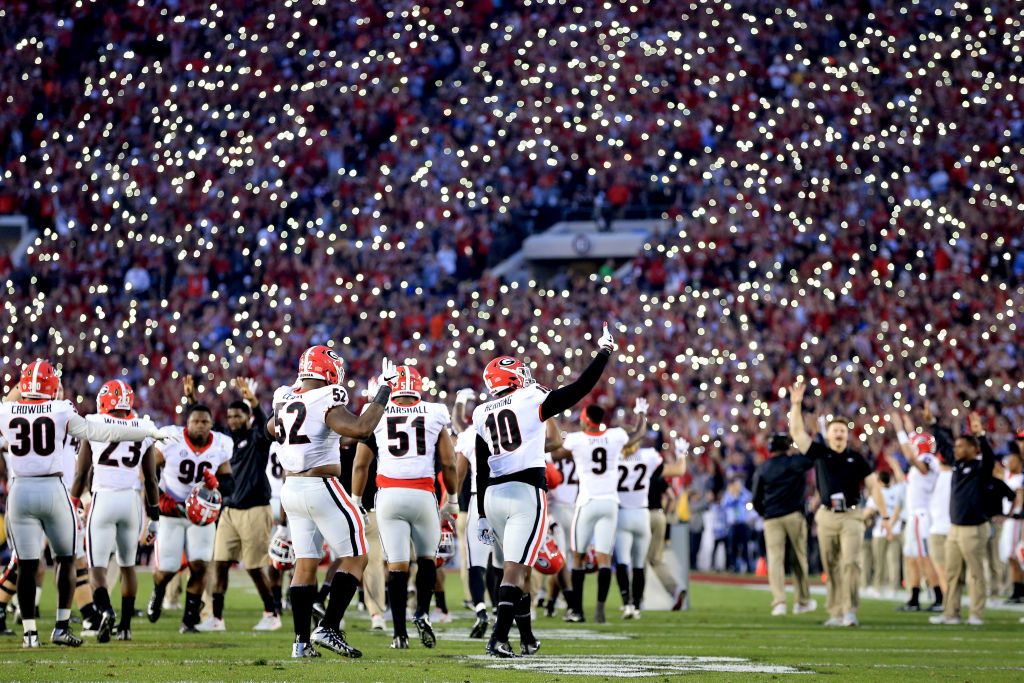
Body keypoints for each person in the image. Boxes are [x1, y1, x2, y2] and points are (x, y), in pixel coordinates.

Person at [0, 360, 168, 648]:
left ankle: (29, 633)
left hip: (20, 491)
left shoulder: (5, 410)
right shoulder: (61, 409)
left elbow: (10, 400)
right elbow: (103, 432)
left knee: (26, 565)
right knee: (67, 559)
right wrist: (145, 431)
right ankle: (61, 626)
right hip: (54, 488)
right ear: (53, 385)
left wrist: (25, 382)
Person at [475, 322, 616, 658]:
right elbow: (580, 388)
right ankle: (498, 638)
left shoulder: (481, 413)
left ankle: (526, 638)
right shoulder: (530, 398)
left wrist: (481, 513)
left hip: (492, 495)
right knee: (515, 569)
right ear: (513, 378)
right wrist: (604, 353)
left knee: (517, 568)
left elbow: (482, 468)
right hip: (525, 492)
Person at [266, 345, 395, 659]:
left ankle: (300, 643)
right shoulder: (326, 396)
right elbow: (361, 428)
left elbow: (272, 429)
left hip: (292, 489)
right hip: (321, 486)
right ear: (330, 371)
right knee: (357, 557)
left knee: (305, 564)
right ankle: (329, 626)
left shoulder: (287, 397)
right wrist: (384, 392)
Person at [352, 365, 457, 650]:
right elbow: (448, 462)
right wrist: (454, 499)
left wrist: (356, 501)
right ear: (418, 386)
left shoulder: (377, 412)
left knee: (396, 566)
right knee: (426, 560)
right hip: (423, 494)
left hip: (389, 495)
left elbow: (361, 464)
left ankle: (399, 634)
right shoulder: (435, 412)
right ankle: (422, 612)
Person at [787, 378, 890, 627]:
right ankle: (835, 611)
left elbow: (873, 487)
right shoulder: (820, 453)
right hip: (826, 515)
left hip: (852, 515)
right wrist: (796, 405)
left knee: (851, 562)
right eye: (835, 429)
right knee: (831, 565)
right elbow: (797, 433)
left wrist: (885, 516)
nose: (839, 433)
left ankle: (850, 610)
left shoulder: (857, 458)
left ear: (847, 435)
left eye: (843, 430)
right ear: (829, 433)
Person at [68, 380, 161, 642]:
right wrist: (154, 518)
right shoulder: (142, 427)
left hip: (104, 498)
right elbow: (152, 480)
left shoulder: (94, 423)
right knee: (128, 565)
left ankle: (106, 610)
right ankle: (126, 627)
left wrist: (73, 504)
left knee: (97, 565)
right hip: (131, 502)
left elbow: (81, 473)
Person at [556, 396, 647, 624]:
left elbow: (556, 452)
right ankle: (600, 610)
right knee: (604, 559)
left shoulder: (577, 440)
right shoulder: (614, 436)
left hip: (586, 502)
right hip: (610, 503)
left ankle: (576, 610)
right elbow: (638, 434)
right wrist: (641, 415)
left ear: (586, 421)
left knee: (577, 558)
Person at [146, 403, 233, 633]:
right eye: (196, 421)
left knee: (200, 566)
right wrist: (160, 498)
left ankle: (189, 620)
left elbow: (229, 481)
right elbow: (147, 470)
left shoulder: (220, 446)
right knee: (168, 568)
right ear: (187, 423)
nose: (200, 426)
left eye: (205, 422)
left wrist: (217, 485)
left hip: (201, 515)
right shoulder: (172, 439)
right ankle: (159, 591)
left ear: (211, 424)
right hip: (171, 511)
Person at [201, 378, 280, 633]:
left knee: (256, 567)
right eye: (231, 416)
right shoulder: (224, 442)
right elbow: (201, 430)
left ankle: (272, 613)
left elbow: (267, 425)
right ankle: (216, 618)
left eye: (238, 416)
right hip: (229, 511)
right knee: (220, 563)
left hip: (256, 509)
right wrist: (192, 402)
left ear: (248, 417)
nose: (233, 420)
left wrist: (255, 403)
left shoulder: (257, 438)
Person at [930, 412, 995, 626]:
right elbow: (944, 447)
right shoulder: (957, 466)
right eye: (956, 446)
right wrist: (933, 424)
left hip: (974, 528)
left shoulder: (980, 468)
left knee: (975, 575)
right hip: (955, 528)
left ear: (972, 449)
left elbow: (989, 459)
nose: (956, 450)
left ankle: (976, 614)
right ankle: (951, 613)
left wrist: (981, 436)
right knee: (952, 574)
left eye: (961, 446)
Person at [614, 434, 685, 617]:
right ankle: (645, 600)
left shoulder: (614, 460)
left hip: (629, 513)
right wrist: (681, 454)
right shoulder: (649, 462)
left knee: (629, 560)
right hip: (651, 514)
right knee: (649, 559)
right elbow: (674, 483)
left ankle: (633, 601)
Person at [751, 432, 817, 616]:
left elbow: (756, 497)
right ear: (787, 446)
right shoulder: (794, 462)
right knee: (798, 559)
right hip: (793, 515)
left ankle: (779, 602)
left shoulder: (763, 468)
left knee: (775, 560)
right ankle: (802, 601)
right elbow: (813, 456)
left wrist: (765, 513)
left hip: (771, 518)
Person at [888, 410, 943, 612]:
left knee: (924, 557)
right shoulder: (925, 455)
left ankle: (938, 597)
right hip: (914, 516)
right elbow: (913, 443)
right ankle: (913, 599)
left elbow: (912, 458)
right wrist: (905, 424)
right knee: (911, 558)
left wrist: (900, 430)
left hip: (922, 515)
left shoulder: (928, 460)